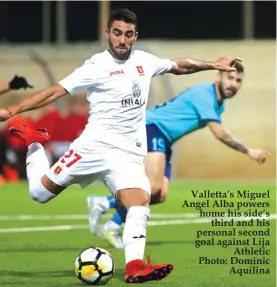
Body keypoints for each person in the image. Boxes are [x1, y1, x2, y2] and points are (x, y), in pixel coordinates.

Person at [0, 8, 242, 283]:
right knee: (39, 193)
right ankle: (34, 143)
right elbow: (56, 91)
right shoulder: (96, 66)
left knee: (140, 202)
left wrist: (212, 64)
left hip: (127, 154)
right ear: (108, 34)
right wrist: (13, 110)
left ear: (135, 36)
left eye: (128, 34)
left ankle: (135, 266)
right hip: (93, 148)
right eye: (117, 33)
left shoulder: (144, 61)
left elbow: (178, 65)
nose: (122, 40)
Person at [87, 61, 270, 249]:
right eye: (230, 78)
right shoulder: (205, 95)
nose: (234, 83)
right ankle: (112, 224)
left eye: (238, 80)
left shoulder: (218, 103)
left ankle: (104, 203)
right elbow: (219, 132)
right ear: (218, 78)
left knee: (159, 194)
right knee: (153, 186)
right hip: (152, 128)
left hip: (165, 138)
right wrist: (248, 151)